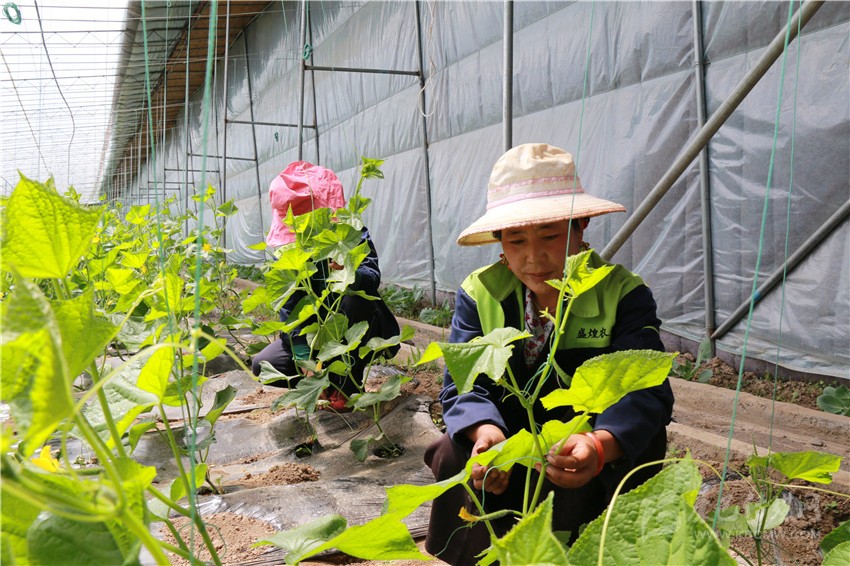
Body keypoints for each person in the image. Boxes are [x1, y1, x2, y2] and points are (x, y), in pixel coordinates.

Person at [424, 144, 674, 565]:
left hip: (581, 446)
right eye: (517, 239)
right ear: (500, 242)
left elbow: (646, 388)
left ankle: (605, 551)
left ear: (581, 227)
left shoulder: (623, 293)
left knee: (642, 443)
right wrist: (486, 434)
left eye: (551, 235)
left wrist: (600, 445)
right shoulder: (479, 293)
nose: (534, 256)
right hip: (511, 443)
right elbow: (463, 385)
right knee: (454, 452)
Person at [251, 161, 399, 410]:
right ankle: (322, 385)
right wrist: (306, 365)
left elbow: (372, 277)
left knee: (354, 301)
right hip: (314, 334)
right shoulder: (289, 251)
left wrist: (349, 271)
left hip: (354, 327)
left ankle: (347, 387)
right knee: (264, 365)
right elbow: (289, 309)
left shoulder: (349, 231)